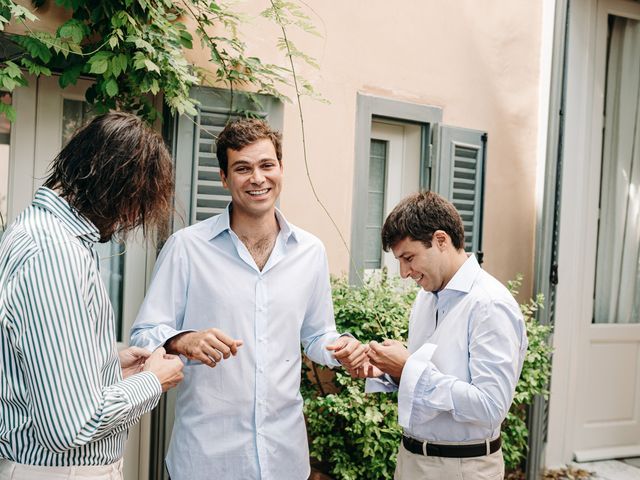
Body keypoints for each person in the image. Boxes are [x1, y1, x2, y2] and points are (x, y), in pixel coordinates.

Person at [130, 118, 368, 480]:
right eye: (243, 168)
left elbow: (318, 335)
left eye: (266, 165)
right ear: (225, 178)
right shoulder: (187, 248)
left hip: (283, 458)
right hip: (206, 460)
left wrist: (343, 347)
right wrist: (183, 340)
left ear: (281, 169)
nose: (257, 178)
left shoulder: (311, 252)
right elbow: (145, 334)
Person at [0, 112, 184, 480]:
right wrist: (152, 381)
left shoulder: (38, 232)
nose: (130, 219)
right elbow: (70, 426)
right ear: (116, 189)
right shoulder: (54, 254)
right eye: (137, 205)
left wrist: (108, 366)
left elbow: (34, 371)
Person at [356, 191, 528, 480]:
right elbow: (436, 377)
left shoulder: (490, 304)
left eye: (408, 257)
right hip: (411, 461)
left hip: (462, 469)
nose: (403, 273)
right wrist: (390, 371)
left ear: (441, 240)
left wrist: (409, 368)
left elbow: (490, 406)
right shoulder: (425, 298)